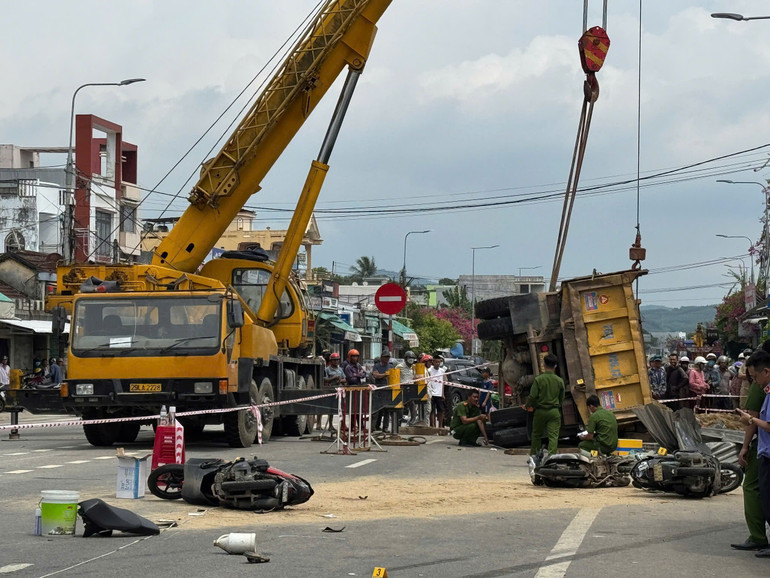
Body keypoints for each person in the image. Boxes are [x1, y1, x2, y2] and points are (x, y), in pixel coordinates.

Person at [735, 349, 770, 558]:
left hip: (765, 452)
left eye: (755, 377)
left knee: (753, 487)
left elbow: (755, 417)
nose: (754, 381)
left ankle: (757, 536)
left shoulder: (764, 388)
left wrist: (745, 446)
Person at [525, 354, 564, 456]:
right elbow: (561, 398)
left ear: (544, 365)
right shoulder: (560, 381)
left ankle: (534, 456)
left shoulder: (539, 379)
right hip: (554, 412)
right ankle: (552, 458)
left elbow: (532, 396)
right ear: (555, 366)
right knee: (553, 437)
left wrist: (528, 405)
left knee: (536, 435)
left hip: (540, 411)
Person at [371, 349, 393, 431]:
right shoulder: (377, 366)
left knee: (387, 409)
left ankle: (385, 427)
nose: (386, 359)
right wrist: (385, 374)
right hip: (378, 389)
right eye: (385, 357)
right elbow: (376, 375)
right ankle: (374, 426)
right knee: (377, 409)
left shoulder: (390, 366)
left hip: (387, 389)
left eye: (388, 357)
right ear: (381, 357)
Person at [396, 350, 417, 424]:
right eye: (409, 357)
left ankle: (412, 420)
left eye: (412, 358)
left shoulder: (414, 367)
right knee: (401, 405)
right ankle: (399, 421)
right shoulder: (400, 366)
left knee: (412, 404)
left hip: (411, 388)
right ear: (405, 358)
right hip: (402, 387)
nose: (411, 359)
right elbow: (395, 376)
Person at [426, 355, 446, 428]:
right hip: (431, 393)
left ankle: (440, 426)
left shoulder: (442, 371)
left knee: (441, 410)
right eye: (436, 362)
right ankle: (432, 425)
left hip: (439, 393)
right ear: (433, 362)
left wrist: (442, 394)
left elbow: (444, 383)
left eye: (439, 362)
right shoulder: (429, 370)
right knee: (432, 410)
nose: (437, 363)